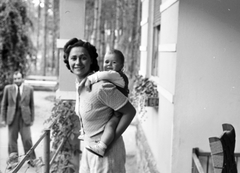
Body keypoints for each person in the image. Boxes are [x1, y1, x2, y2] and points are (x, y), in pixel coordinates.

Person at [63, 38, 136, 173]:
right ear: (68, 62)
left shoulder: (100, 86)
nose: (78, 62)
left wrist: (107, 142)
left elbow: (130, 112)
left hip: (107, 153)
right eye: (73, 58)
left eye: (83, 58)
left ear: (91, 60)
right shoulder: (81, 85)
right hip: (88, 149)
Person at [84, 49, 129, 157]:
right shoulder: (115, 75)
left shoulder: (116, 75)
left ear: (122, 65)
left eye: (114, 62)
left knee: (110, 125)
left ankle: (102, 147)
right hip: (116, 105)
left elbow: (103, 75)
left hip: (119, 108)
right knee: (109, 125)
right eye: (106, 62)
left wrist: (90, 79)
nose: (109, 65)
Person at [1, 71, 36, 169]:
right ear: (13, 80)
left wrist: (32, 118)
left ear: (22, 78)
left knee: (27, 139)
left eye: (19, 78)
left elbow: (32, 105)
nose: (17, 80)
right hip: (12, 117)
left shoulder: (29, 89)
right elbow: (4, 104)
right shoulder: (8, 89)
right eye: (15, 79)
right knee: (12, 140)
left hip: (25, 117)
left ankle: (31, 159)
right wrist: (3, 118)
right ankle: (13, 161)